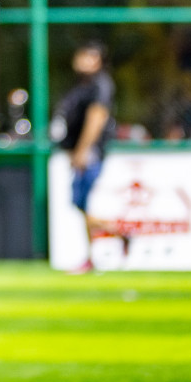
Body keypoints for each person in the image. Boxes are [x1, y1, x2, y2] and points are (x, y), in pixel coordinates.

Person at [56, 40, 115, 272]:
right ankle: (91, 257)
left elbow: (97, 117)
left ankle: (121, 231)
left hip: (90, 153)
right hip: (81, 151)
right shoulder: (82, 84)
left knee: (82, 204)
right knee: (82, 205)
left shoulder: (100, 84)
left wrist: (82, 150)